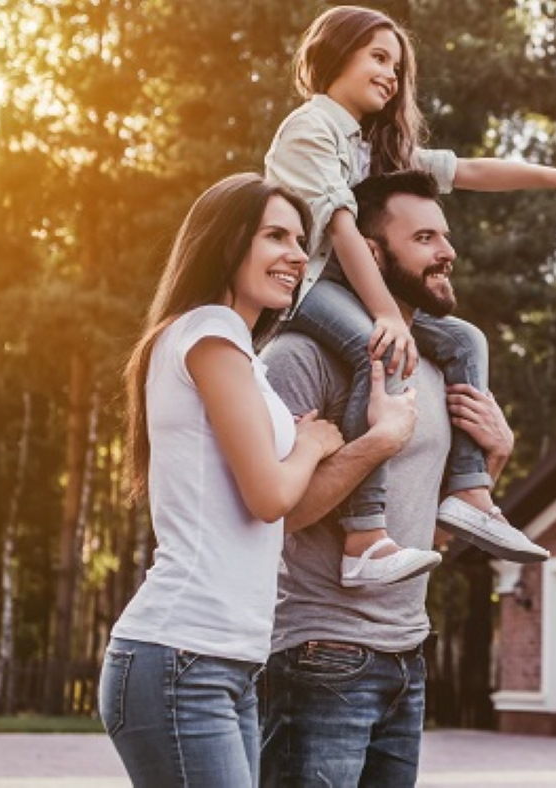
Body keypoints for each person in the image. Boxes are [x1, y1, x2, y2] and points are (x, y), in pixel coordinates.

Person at [265, 4, 556, 587]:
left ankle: (470, 493)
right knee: (377, 348)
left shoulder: (369, 145)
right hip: (307, 286)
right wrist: (385, 314)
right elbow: (342, 230)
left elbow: (468, 171)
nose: (391, 75)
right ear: (334, 55)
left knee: (462, 338)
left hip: (354, 286)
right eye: (378, 58)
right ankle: (364, 537)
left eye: (398, 67)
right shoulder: (312, 127)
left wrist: (555, 175)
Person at [98, 173, 352, 786]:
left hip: (227, 663)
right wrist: (315, 443)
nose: (295, 254)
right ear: (225, 240)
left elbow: (277, 504)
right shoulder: (210, 332)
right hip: (184, 656)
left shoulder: (232, 349)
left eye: (299, 240)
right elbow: (270, 496)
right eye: (274, 236)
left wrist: (317, 451)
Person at [259, 170, 510, 787]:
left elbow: (432, 538)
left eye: (444, 236)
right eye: (424, 237)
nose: (446, 252)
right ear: (371, 252)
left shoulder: (438, 367)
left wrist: (493, 461)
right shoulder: (298, 357)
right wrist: (377, 444)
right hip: (319, 654)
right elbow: (274, 516)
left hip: (407, 656)